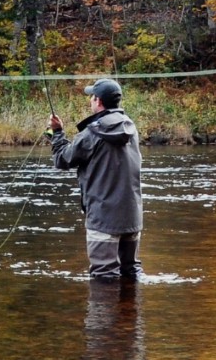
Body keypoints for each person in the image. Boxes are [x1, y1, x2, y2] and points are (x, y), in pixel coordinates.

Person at [48, 77, 144, 280]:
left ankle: (102, 314)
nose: (90, 100)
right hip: (132, 217)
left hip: (103, 218)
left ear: (98, 101)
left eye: (91, 97)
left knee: (103, 277)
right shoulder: (131, 127)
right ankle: (131, 312)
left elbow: (62, 160)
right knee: (131, 272)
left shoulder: (92, 132)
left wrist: (57, 133)